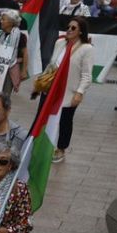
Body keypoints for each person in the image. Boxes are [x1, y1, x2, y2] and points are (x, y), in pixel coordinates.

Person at [38, 18, 92, 162]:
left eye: (73, 28)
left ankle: (61, 149)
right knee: (43, 117)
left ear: (81, 31)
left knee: (65, 121)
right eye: (68, 27)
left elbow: (87, 75)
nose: (69, 30)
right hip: (51, 89)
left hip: (69, 92)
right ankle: (41, 145)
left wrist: (79, 93)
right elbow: (52, 64)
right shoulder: (59, 43)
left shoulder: (86, 49)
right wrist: (42, 82)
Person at [0, 9, 25, 101]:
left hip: (10, 68)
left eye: (4, 19)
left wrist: (24, 71)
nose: (1, 21)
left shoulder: (20, 36)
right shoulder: (0, 34)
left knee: (5, 95)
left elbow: (25, 54)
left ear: (11, 22)